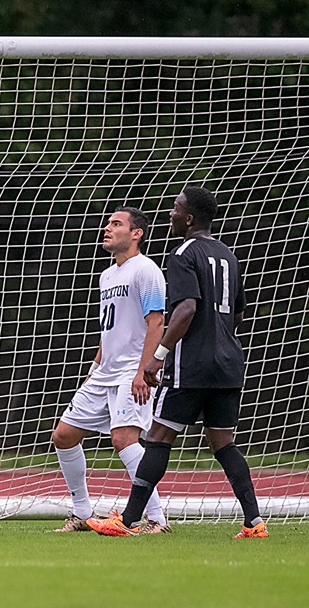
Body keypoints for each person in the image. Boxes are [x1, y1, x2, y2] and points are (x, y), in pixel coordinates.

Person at [88, 186, 266, 538]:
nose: (170, 214)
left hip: (193, 364)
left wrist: (158, 357)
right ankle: (254, 523)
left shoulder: (183, 253)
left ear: (188, 217)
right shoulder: (227, 255)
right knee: (224, 443)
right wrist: (218, 339)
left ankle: (128, 520)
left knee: (158, 437)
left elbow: (186, 309)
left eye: (175, 208)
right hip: (229, 362)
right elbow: (238, 314)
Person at [51, 207, 170, 534]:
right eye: (108, 223)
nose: (107, 228)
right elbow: (111, 329)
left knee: (124, 439)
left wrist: (143, 371)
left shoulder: (146, 270)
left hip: (131, 372)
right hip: (104, 373)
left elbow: (156, 322)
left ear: (136, 233)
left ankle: (157, 519)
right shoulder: (107, 275)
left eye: (116, 224)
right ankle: (83, 512)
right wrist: (94, 367)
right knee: (63, 435)